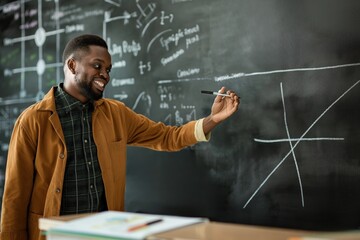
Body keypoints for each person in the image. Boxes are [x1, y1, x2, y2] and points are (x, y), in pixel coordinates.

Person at [0, 34, 240, 239]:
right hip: (53, 235)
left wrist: (212, 120)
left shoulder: (116, 114)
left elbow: (168, 137)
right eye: (97, 66)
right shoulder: (33, 120)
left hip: (103, 234)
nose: (105, 75)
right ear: (72, 66)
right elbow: (14, 199)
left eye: (108, 69)